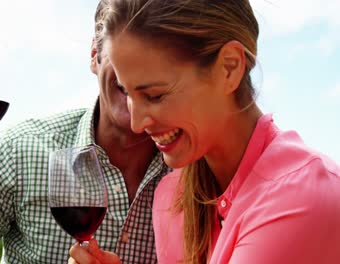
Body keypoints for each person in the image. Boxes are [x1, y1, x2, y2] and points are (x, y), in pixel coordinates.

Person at [0, 1, 170, 263]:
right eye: (127, 50)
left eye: (158, 56)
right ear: (95, 56)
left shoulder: (197, 168)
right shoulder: (19, 151)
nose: (139, 74)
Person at [69, 0, 340, 263]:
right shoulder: (174, 199)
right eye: (127, 92)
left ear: (229, 68)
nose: (137, 123)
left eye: (154, 95)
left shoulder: (299, 200)